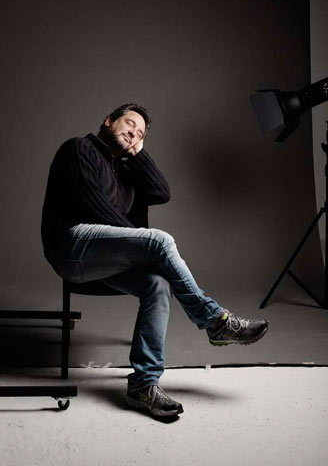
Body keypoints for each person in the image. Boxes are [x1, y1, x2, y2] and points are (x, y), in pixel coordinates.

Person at [41, 103, 268, 420]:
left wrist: (138, 153)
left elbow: (161, 192)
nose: (133, 131)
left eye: (140, 132)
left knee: (158, 284)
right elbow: (95, 209)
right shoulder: (79, 148)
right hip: (71, 246)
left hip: (101, 258)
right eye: (128, 123)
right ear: (108, 121)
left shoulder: (124, 170)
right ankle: (216, 321)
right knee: (158, 242)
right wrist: (143, 249)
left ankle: (143, 386)